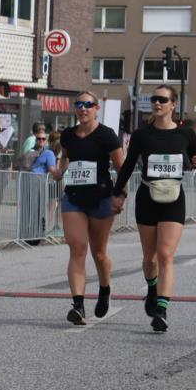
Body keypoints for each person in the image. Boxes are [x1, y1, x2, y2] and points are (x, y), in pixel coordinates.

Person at [112, 85, 196, 332]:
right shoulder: (142, 134)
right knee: (150, 257)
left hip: (174, 198)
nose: (157, 103)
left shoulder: (186, 134)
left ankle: (161, 311)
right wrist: (117, 194)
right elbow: (129, 165)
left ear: (173, 104)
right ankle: (152, 287)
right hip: (147, 197)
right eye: (154, 99)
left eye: (162, 99)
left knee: (165, 255)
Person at [48, 92, 125, 325]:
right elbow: (66, 159)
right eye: (79, 105)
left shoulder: (106, 135)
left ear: (96, 109)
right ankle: (78, 305)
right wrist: (59, 173)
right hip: (73, 197)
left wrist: (120, 194)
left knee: (99, 253)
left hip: (101, 199)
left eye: (88, 105)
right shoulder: (68, 135)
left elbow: (122, 167)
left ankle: (104, 289)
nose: (83, 109)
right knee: (77, 248)